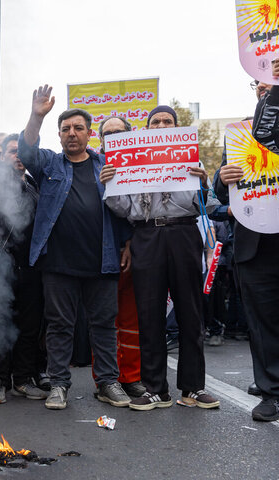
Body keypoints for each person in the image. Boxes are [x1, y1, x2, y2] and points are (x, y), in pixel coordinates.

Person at [17, 84, 131, 410]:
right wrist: (37, 116)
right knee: (59, 326)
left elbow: (123, 207)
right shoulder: (50, 165)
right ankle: (58, 385)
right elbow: (26, 153)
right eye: (65, 128)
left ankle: (108, 383)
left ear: (89, 133)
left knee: (103, 327)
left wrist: (127, 244)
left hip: (102, 260)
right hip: (58, 263)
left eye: (78, 128)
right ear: (59, 135)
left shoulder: (107, 165)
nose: (71, 133)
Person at [102, 105, 220, 411]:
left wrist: (203, 182)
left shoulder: (190, 159)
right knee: (149, 313)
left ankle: (193, 388)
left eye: (168, 121)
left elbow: (206, 204)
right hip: (146, 234)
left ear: (176, 127)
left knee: (190, 313)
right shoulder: (130, 161)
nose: (161, 125)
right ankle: (156, 389)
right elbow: (123, 209)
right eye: (156, 122)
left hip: (183, 234)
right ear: (147, 128)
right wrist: (111, 184)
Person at [215, 75, 279, 421]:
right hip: (254, 246)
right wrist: (223, 179)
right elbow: (222, 191)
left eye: (271, 82)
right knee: (261, 322)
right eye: (259, 84)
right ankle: (270, 391)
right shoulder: (239, 136)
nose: (264, 88)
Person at [0, 134, 47, 404]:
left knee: (29, 325)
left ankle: (23, 379)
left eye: (20, 152)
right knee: (0, 323)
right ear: (1, 156)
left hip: (32, 265)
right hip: (3, 265)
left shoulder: (34, 184)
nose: (18, 156)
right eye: (12, 151)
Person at [96, 116, 146, 398]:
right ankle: (106, 380)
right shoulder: (90, 164)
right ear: (101, 141)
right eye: (108, 134)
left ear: (129, 134)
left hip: (132, 249)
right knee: (103, 319)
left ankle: (132, 377)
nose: (113, 137)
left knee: (131, 319)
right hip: (100, 253)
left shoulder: (142, 164)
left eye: (119, 132)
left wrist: (128, 241)